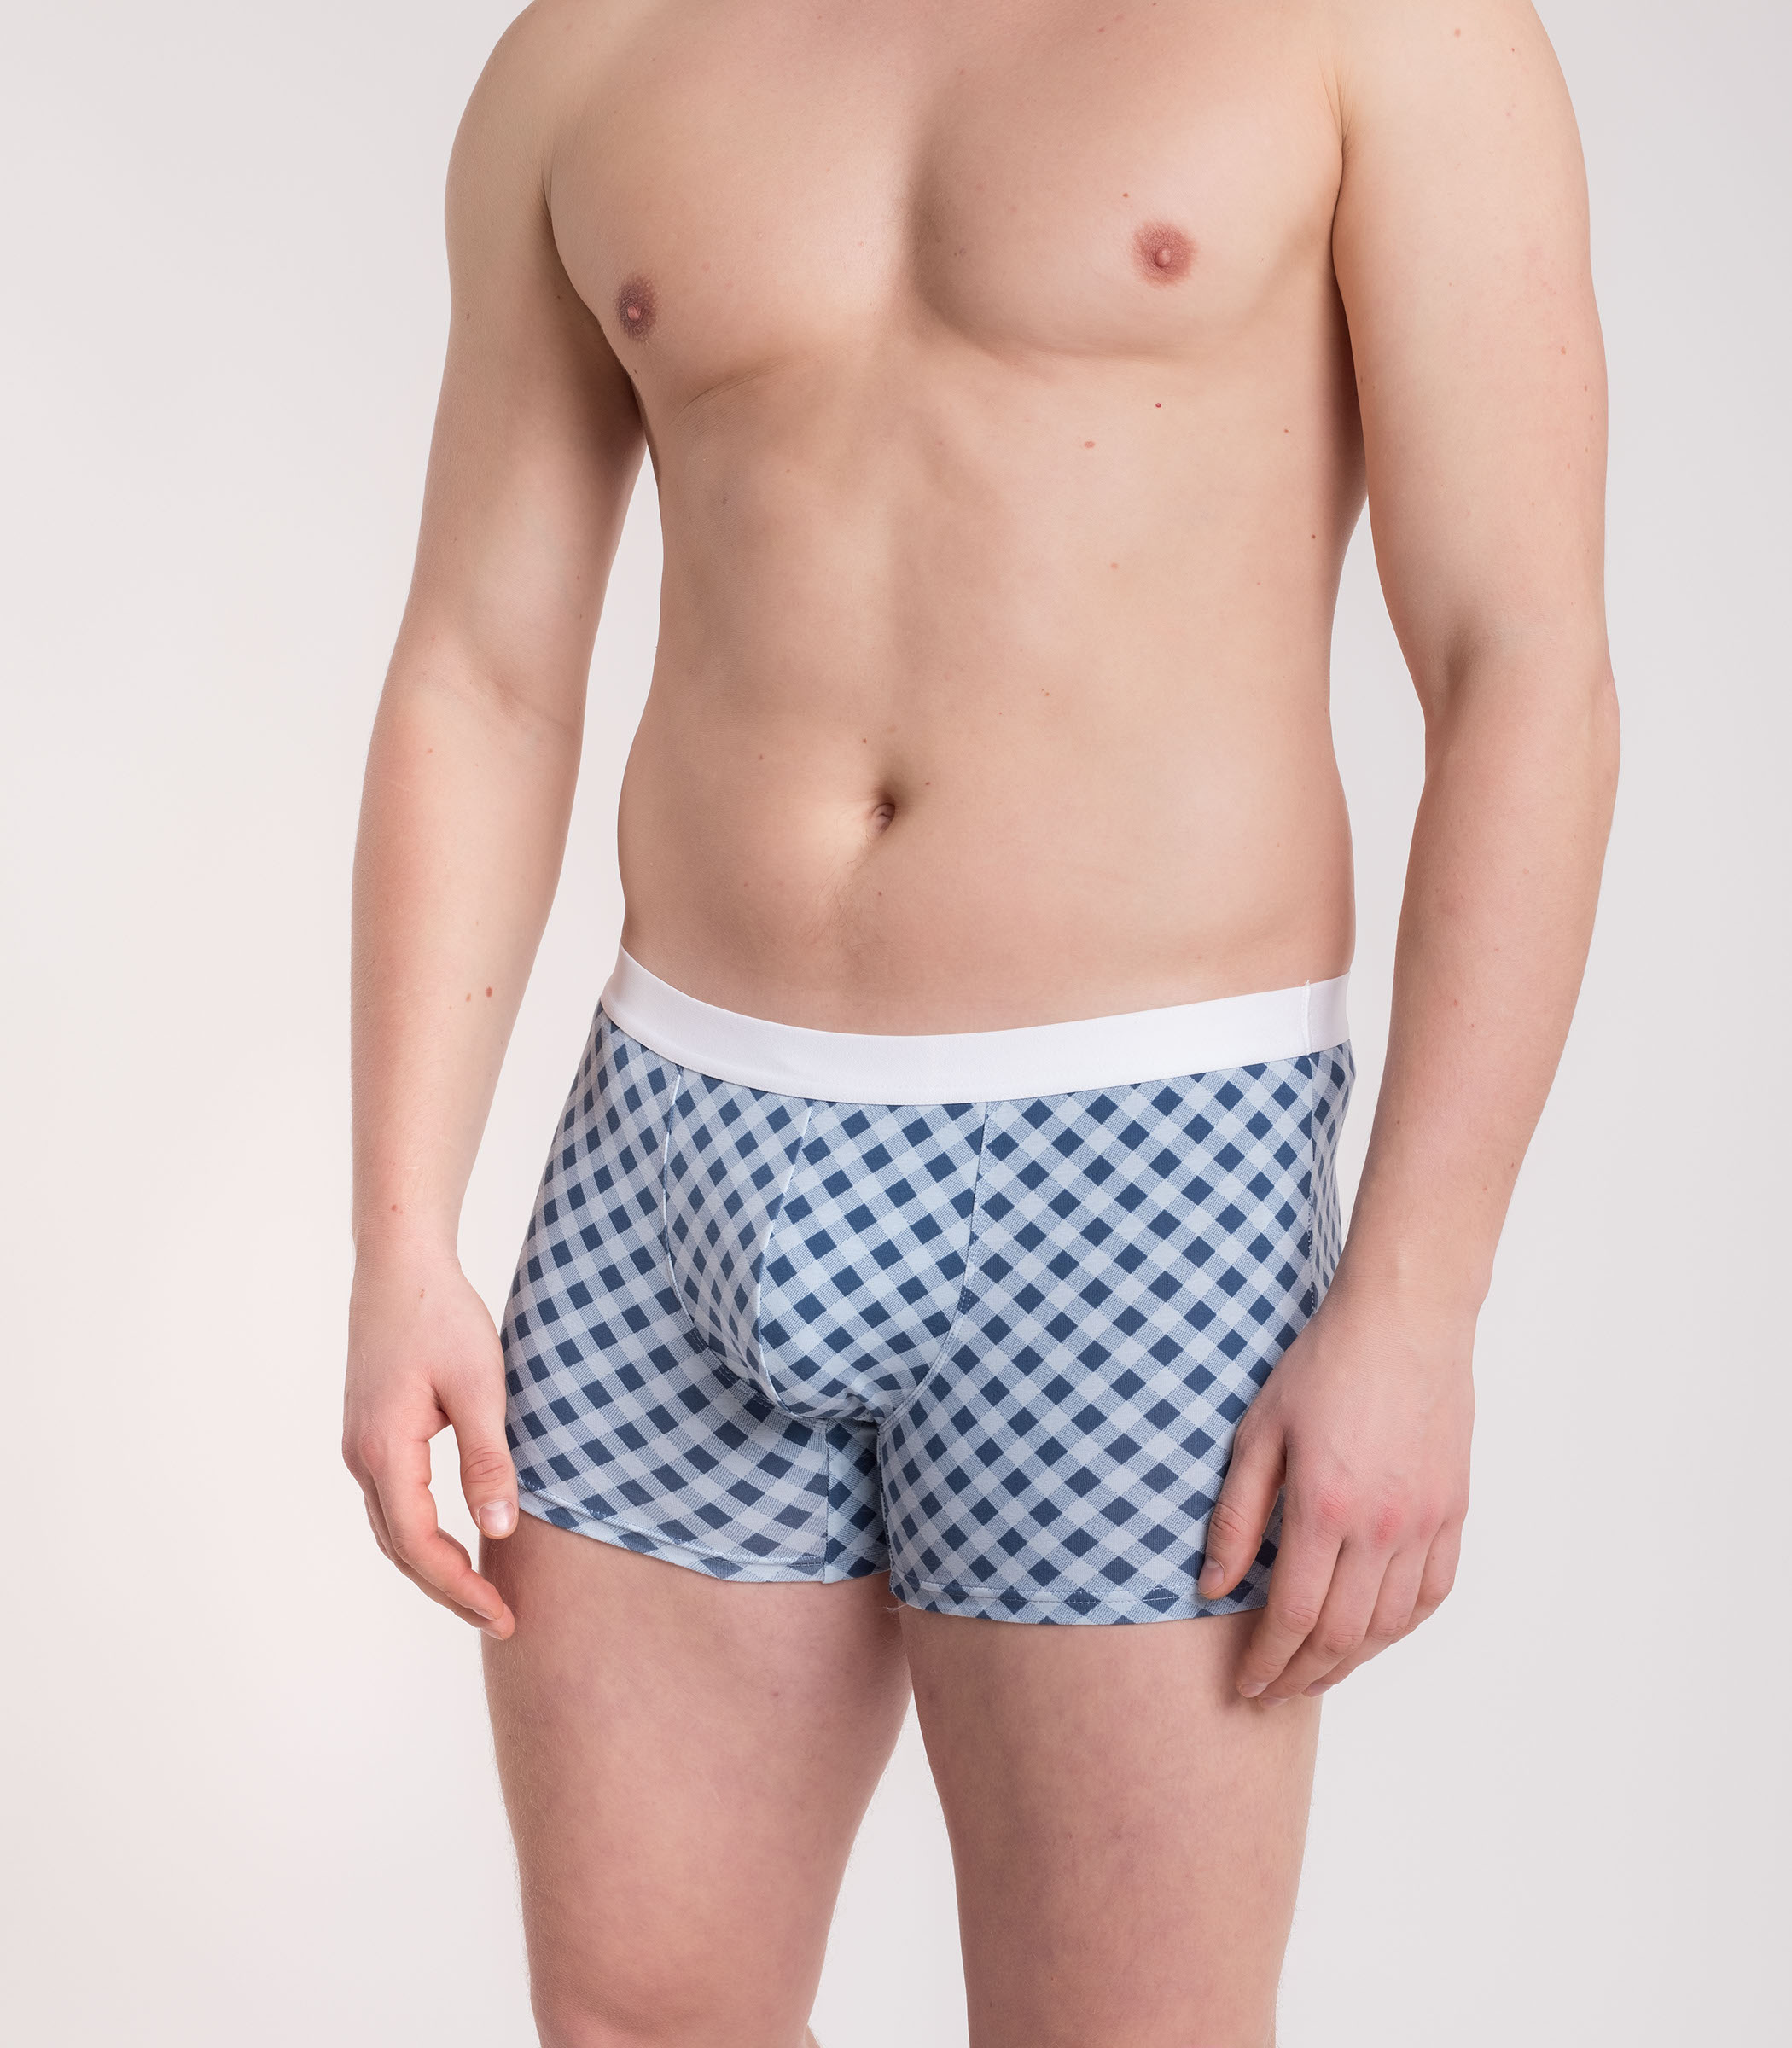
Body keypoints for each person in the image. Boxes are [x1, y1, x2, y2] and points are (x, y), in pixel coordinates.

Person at [343, 0, 1617, 2039]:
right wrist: (401, 1235)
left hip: (1142, 1172)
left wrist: (1419, 1298)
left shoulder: (1380, 31)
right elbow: (481, 669)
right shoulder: (591, 53)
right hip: (678, 1146)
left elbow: (1521, 662)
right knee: (640, 2020)